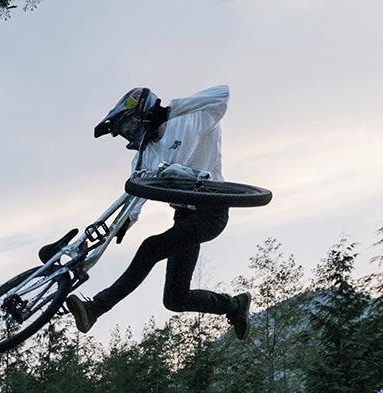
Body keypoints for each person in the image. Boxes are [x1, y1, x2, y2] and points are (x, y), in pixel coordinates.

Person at [64, 86, 252, 340]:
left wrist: (170, 111)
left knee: (150, 248)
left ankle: (96, 307)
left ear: (146, 113)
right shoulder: (145, 155)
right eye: (124, 131)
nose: (129, 133)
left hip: (211, 209)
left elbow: (222, 95)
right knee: (175, 299)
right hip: (184, 214)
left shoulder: (191, 120)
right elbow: (136, 191)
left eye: (129, 125)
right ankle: (235, 305)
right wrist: (126, 221)